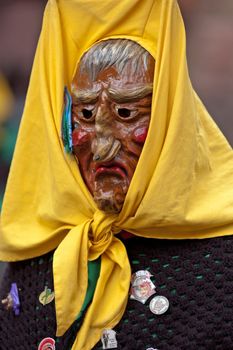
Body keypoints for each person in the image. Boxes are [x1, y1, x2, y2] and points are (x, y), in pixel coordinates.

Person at [0, 0, 233, 349]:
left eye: (126, 113)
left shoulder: (220, 268)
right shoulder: (37, 263)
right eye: (87, 114)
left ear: (169, 124)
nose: (103, 146)